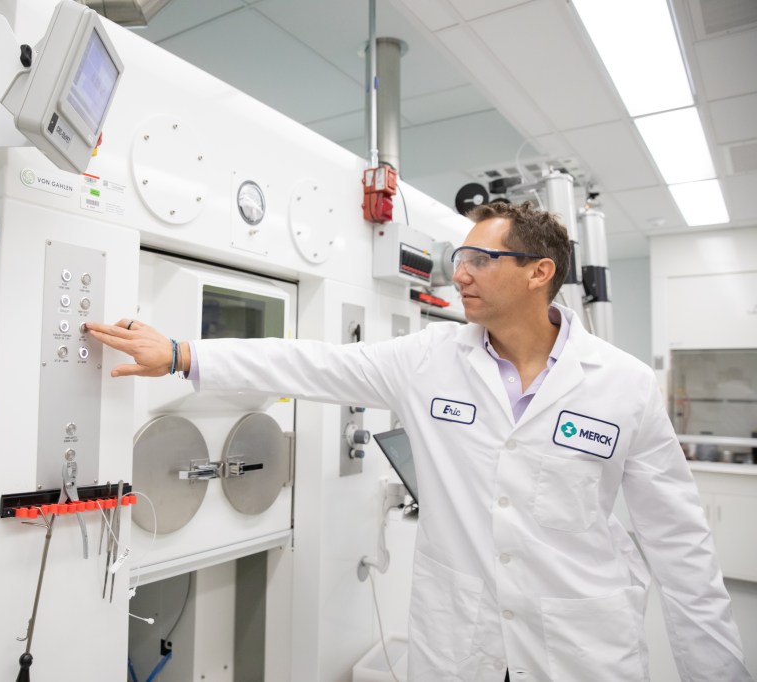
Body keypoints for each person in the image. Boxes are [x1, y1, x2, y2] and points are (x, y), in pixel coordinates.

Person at [86, 201, 751, 681]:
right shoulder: (428, 359)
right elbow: (312, 364)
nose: (459, 273)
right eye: (459, 258)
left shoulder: (624, 385)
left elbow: (681, 548)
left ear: (538, 272)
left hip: (581, 648)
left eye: (479, 259)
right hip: (458, 643)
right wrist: (180, 354)